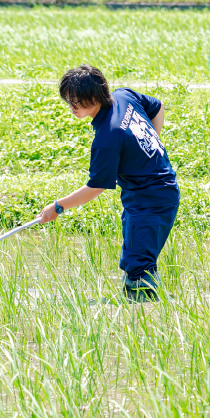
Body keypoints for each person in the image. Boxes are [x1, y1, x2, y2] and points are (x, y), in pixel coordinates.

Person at [40, 65, 180, 303]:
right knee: (134, 256)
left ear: (94, 97)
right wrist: (146, 149)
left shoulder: (107, 137)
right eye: (69, 101)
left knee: (139, 267)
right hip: (153, 191)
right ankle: (140, 306)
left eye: (76, 102)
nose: (72, 107)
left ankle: (146, 314)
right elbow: (158, 107)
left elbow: (96, 186)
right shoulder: (123, 95)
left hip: (150, 198)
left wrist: (58, 207)